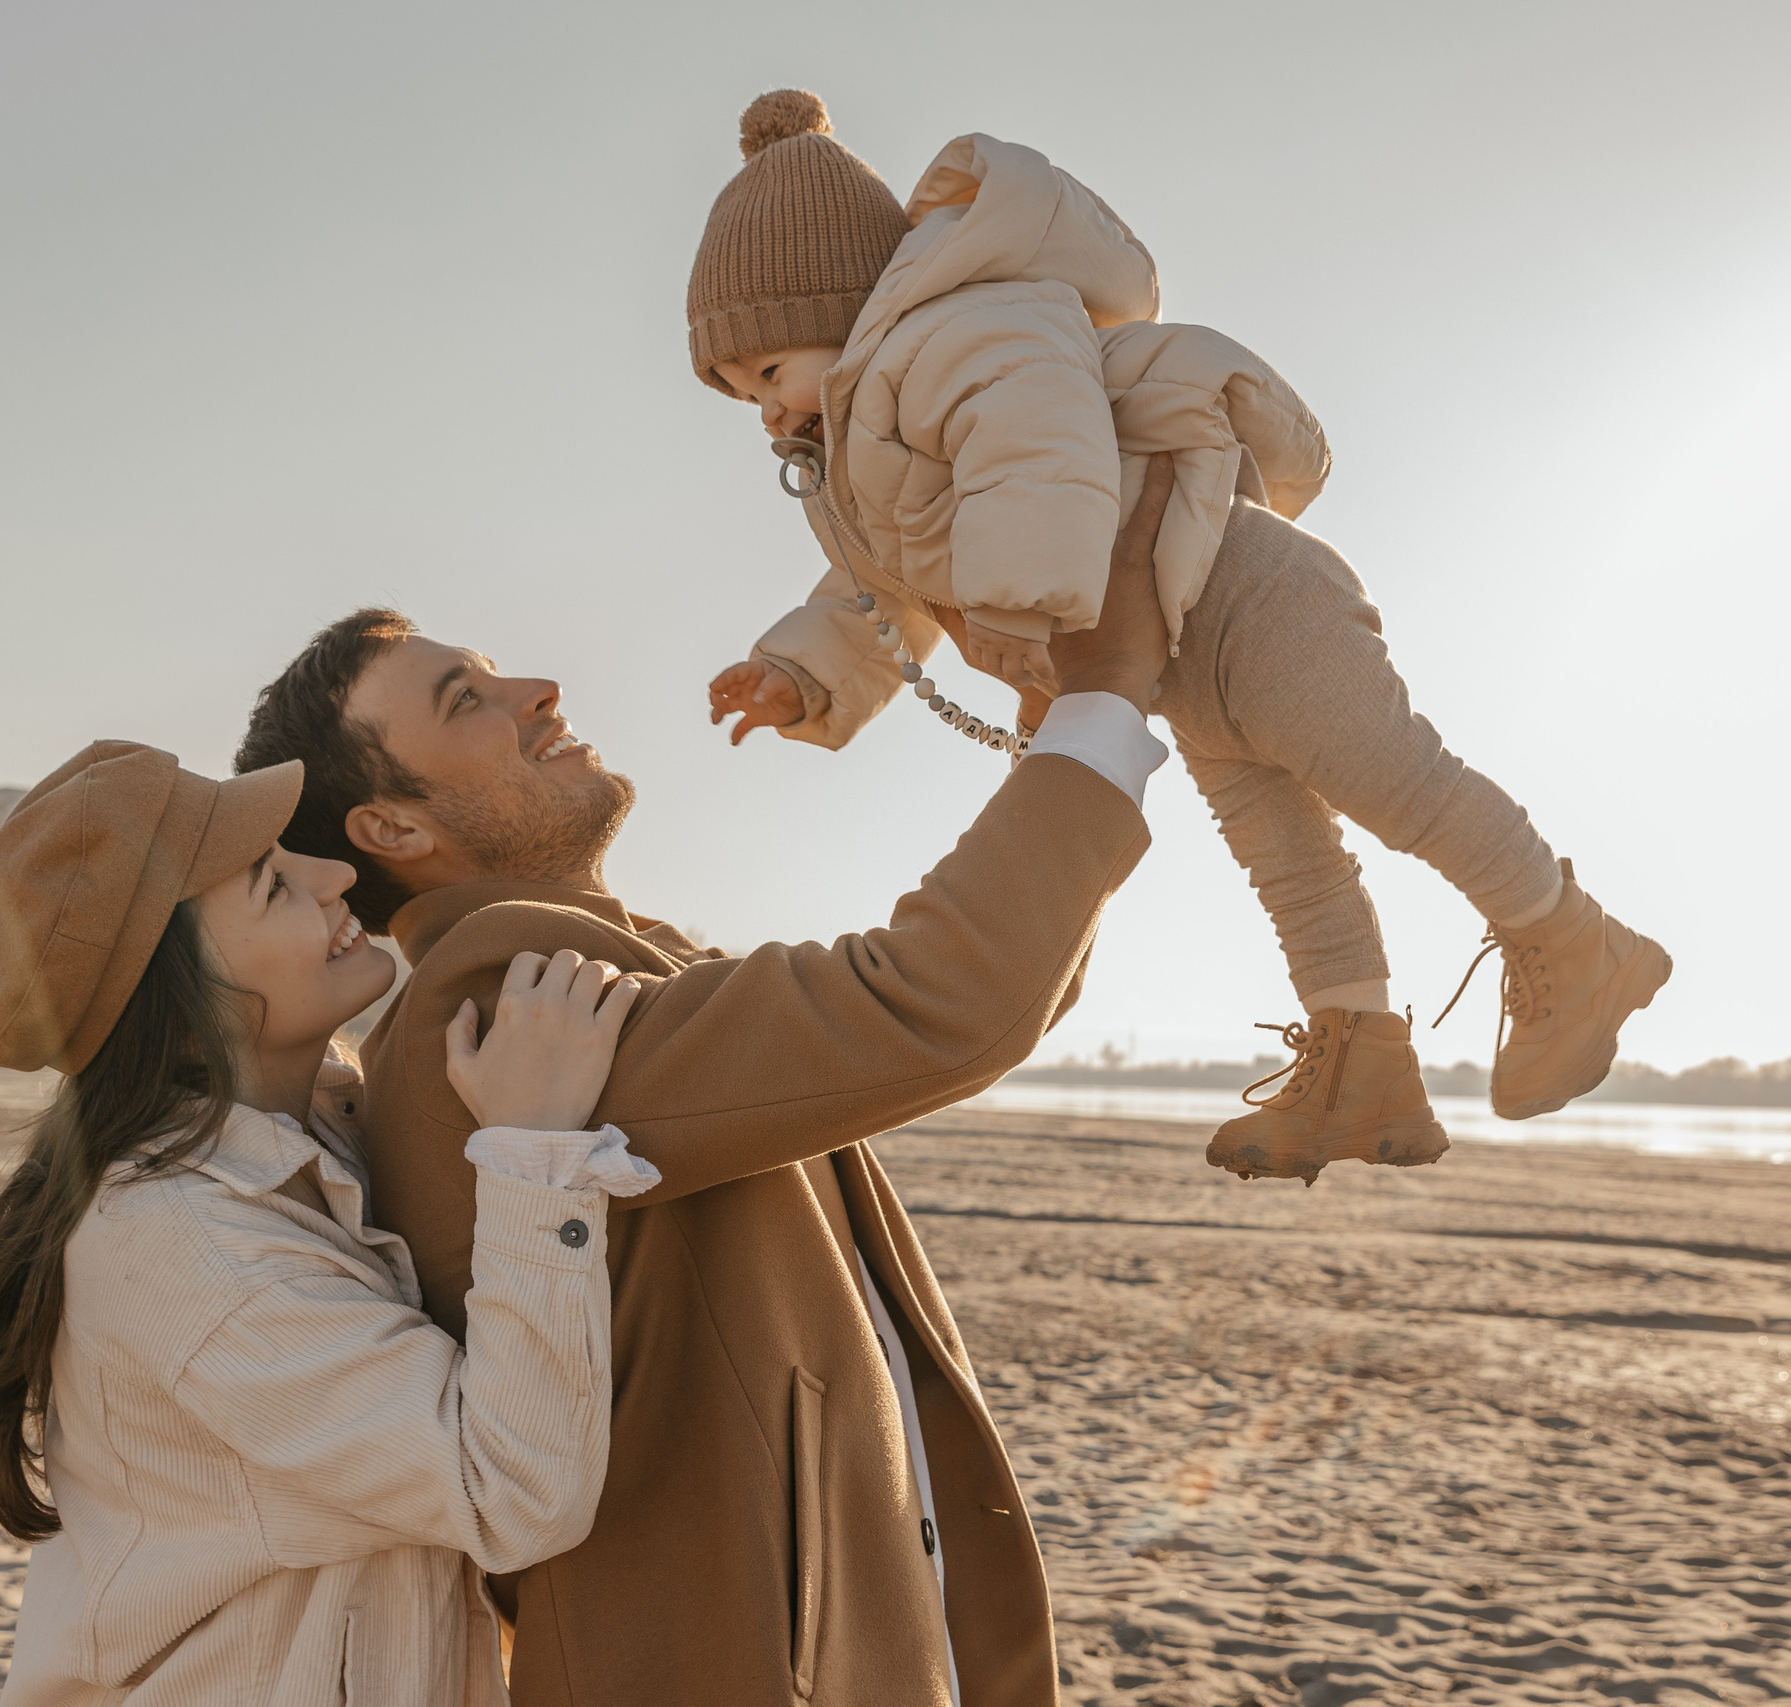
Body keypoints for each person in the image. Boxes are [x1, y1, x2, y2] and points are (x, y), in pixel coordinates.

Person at [231, 459, 1179, 1706]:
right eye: (466, 698)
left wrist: (1071, 715)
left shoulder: (604, 964)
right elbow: (939, 998)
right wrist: (1098, 704)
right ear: (394, 831)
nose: (535, 689)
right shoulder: (498, 995)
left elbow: (995, 999)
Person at [691, 91, 1673, 1184]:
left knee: (1400, 786)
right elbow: (877, 593)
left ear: (850, 309)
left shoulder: (958, 334)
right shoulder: (859, 448)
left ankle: (1575, 939)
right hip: (1169, 651)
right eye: (741, 397)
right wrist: (797, 673)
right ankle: (1362, 1059)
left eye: (770, 375)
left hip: (1248, 595)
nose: (768, 413)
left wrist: (1027, 628)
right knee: (1286, 862)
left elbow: (1040, 457)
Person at [0, 740, 656, 1704]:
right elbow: (516, 1488)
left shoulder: (328, 1132)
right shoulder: (184, 1239)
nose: (337, 877)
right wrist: (535, 1155)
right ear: (182, 1005)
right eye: (274, 884)